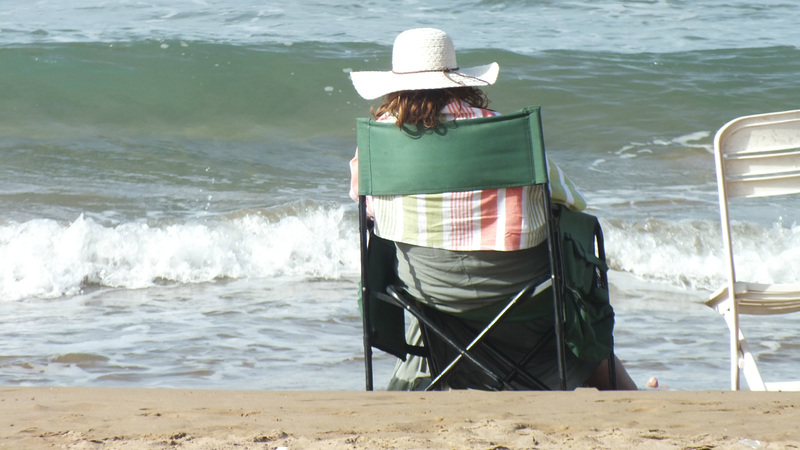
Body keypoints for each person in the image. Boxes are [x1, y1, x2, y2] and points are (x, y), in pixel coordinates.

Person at [349, 28, 637, 390]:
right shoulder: (506, 135)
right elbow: (573, 200)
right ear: (458, 81)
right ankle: (622, 391)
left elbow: (367, 208)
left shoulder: (377, 147)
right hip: (520, 296)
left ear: (394, 86)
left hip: (430, 296)